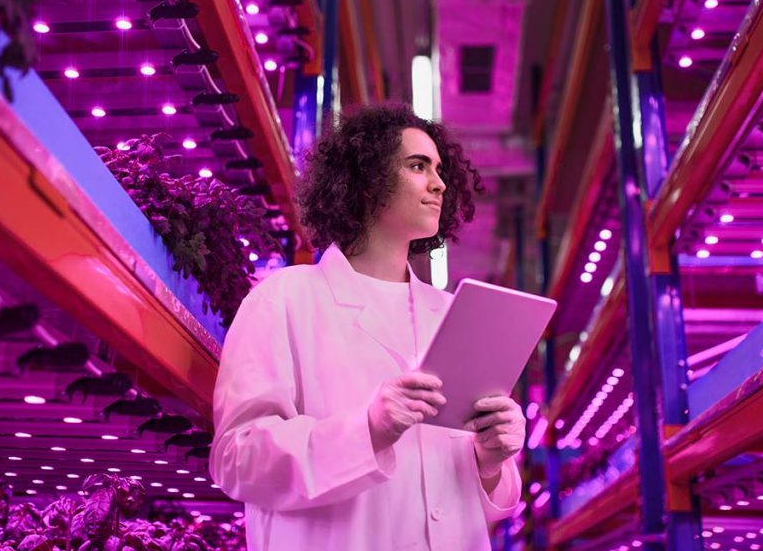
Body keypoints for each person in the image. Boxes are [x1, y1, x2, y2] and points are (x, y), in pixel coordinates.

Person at [210, 104, 527, 551]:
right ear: (364, 181)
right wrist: (368, 429)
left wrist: (491, 461)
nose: (438, 183)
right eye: (418, 166)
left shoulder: (454, 313)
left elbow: (471, 498)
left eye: (438, 169)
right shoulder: (284, 299)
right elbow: (236, 459)